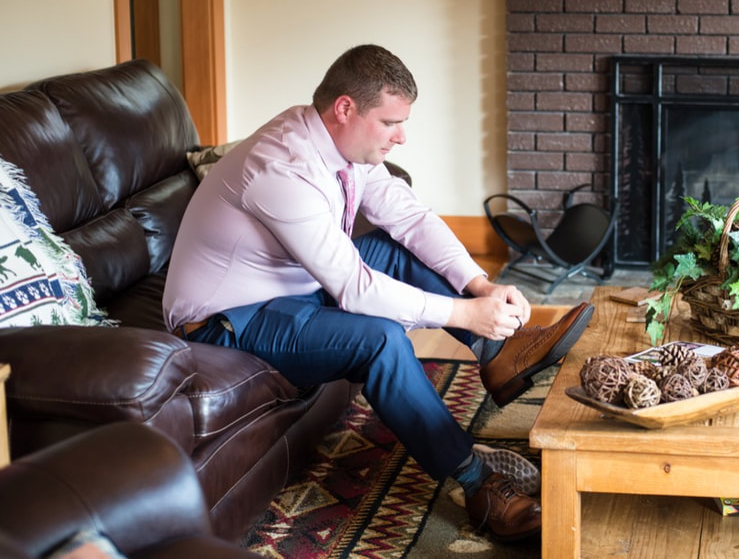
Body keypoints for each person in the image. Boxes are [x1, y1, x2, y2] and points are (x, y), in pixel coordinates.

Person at [163, 44, 593, 542]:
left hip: (292, 290)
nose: (401, 136)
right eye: (391, 123)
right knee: (382, 339)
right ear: (345, 108)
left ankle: (500, 354)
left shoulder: (336, 141)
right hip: (227, 322)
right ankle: (477, 485)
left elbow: (409, 217)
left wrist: (481, 286)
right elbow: (352, 286)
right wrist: (464, 312)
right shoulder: (279, 169)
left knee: (393, 247)